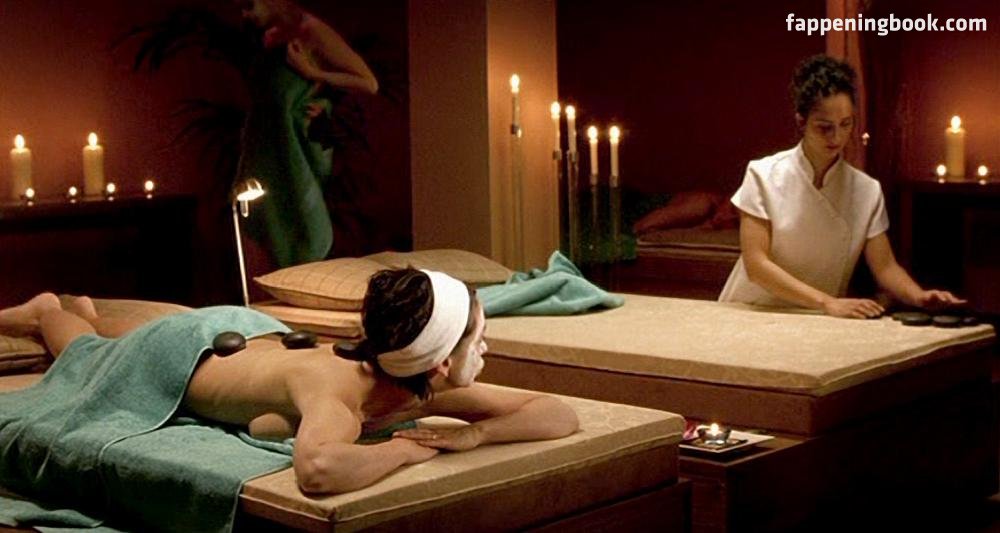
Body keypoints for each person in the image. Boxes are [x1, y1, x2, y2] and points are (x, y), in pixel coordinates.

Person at [0, 269, 580, 495]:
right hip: (184, 353)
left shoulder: (424, 384)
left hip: (254, 336)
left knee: (112, 333)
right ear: (441, 362)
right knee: (88, 354)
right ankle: (48, 309)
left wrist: (474, 436)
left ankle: (83, 308)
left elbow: (558, 414)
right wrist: (407, 450)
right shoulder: (337, 397)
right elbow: (318, 470)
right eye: (478, 338)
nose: (487, 347)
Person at [718, 54, 964, 319]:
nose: (836, 137)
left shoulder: (866, 190)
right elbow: (756, 265)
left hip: (818, 317)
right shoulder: (763, 174)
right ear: (801, 122)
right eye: (824, 128)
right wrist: (827, 302)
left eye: (845, 124)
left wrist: (919, 296)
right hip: (753, 310)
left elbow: (885, 267)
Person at [234, 0, 379, 266]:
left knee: (302, 233)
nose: (245, 14)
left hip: (296, 149)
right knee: (264, 232)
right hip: (265, 148)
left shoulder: (311, 31)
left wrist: (312, 73)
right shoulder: (269, 36)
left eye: (249, 5)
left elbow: (368, 83)